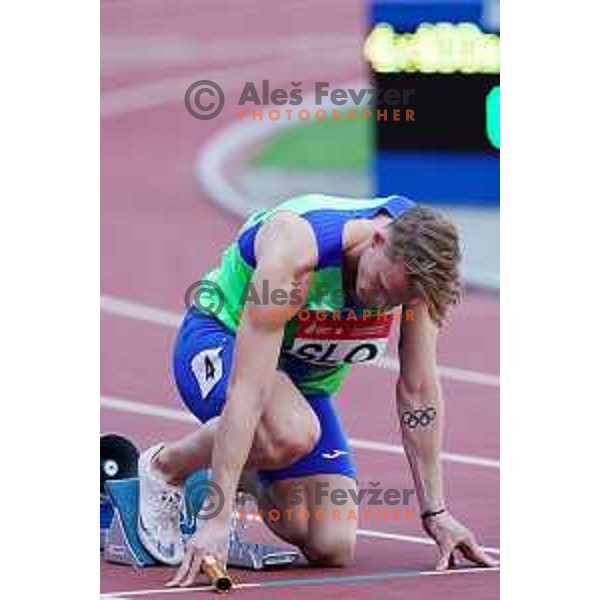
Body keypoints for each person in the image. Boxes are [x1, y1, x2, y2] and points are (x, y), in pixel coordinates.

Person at [136, 194, 498, 587]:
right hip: (220, 342)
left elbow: (419, 390)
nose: (378, 304)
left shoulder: (420, 278)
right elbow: (247, 390)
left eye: (394, 301)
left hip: (298, 386)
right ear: (377, 240)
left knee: (329, 540)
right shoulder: (295, 247)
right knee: (291, 431)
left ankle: (227, 469)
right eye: (378, 286)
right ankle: (166, 468)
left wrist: (436, 512)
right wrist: (218, 518)